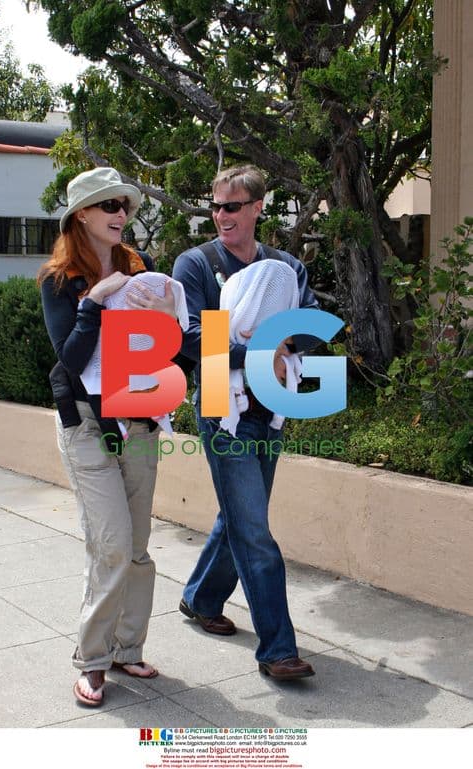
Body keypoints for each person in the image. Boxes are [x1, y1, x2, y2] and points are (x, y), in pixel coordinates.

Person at [172, 164, 318, 681]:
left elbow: (315, 325)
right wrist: (262, 350)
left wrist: (289, 346)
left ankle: (200, 598)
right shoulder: (197, 264)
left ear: (258, 207)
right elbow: (189, 336)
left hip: (272, 406)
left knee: (239, 514)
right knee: (254, 528)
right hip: (220, 404)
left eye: (231, 206)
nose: (220, 215)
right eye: (214, 205)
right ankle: (277, 650)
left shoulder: (286, 267)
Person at [38, 166, 176, 706]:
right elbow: (70, 359)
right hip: (86, 421)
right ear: (83, 215)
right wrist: (95, 299)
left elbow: (173, 350)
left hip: (138, 415)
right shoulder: (58, 280)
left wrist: (167, 316)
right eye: (110, 205)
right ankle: (92, 660)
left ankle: (127, 647)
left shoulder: (143, 272)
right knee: (113, 542)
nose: (122, 214)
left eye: (124, 205)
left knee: (138, 546)